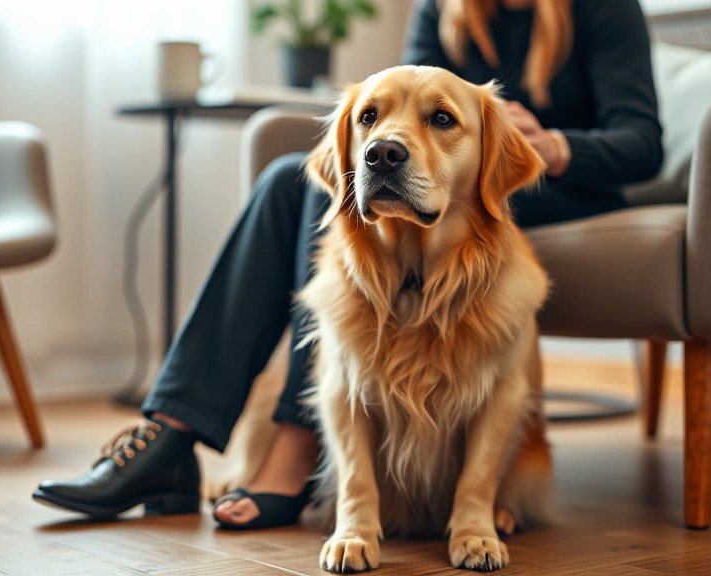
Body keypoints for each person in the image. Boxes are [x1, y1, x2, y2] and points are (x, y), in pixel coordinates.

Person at [32, 0, 662, 529]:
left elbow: (642, 142)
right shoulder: (444, 6)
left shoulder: (601, 7)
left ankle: (292, 445)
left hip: (544, 188)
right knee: (292, 180)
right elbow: (402, 102)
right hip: (432, 186)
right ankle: (170, 432)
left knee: (301, 188)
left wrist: (549, 145)